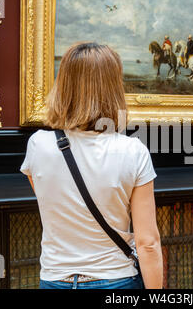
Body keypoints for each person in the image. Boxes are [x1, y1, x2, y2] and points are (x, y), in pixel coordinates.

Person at [20, 42, 163, 289]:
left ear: (63, 85)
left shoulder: (38, 145)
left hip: (55, 280)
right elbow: (148, 243)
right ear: (113, 88)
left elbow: (54, 204)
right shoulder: (133, 151)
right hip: (116, 280)